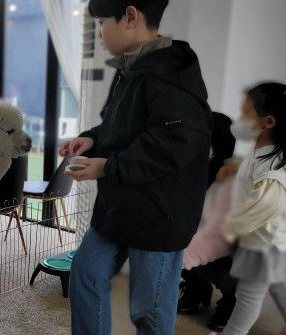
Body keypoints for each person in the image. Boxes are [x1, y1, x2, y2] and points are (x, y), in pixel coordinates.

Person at [61, 1, 212, 334]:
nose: (100, 33)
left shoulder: (172, 77)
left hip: (159, 213)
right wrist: (91, 140)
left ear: (130, 17)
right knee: (86, 274)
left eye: (102, 23)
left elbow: (172, 146)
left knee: (150, 311)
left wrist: (106, 167)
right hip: (120, 205)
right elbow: (119, 129)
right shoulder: (130, 69)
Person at [214, 82, 286, 335]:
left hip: (263, 242)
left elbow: (267, 204)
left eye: (245, 113)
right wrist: (236, 165)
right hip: (269, 240)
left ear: (268, 123)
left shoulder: (273, 166)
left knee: (248, 296)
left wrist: (232, 227)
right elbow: (256, 170)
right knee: (277, 283)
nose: (240, 119)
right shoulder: (263, 152)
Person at [178, 112, 238, 332]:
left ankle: (231, 301)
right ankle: (197, 287)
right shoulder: (205, 165)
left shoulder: (229, 171)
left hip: (227, 243)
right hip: (200, 237)